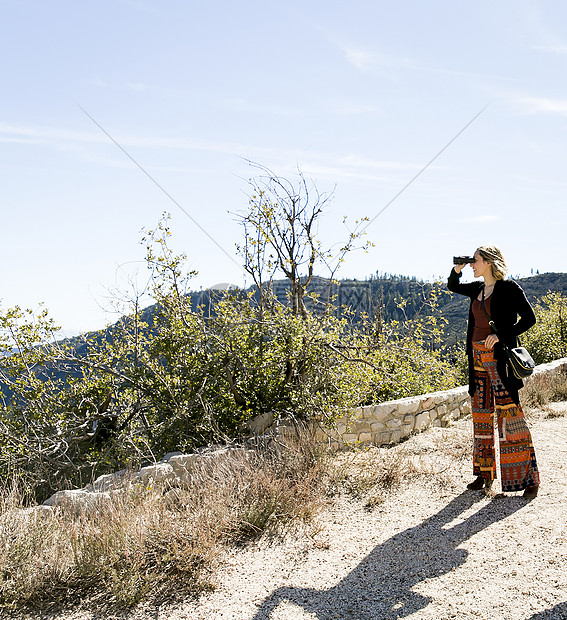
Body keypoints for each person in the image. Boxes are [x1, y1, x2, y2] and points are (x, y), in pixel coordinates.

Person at [448, 245, 540, 499]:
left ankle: (527, 479)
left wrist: (501, 335)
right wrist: (457, 271)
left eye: (475, 260)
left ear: (488, 262)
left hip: (499, 360)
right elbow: (453, 286)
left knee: (509, 416)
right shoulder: (477, 289)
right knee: (480, 417)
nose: (472, 264)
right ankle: (484, 475)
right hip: (477, 359)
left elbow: (529, 319)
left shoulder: (509, 288)